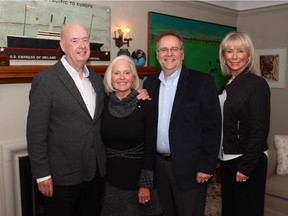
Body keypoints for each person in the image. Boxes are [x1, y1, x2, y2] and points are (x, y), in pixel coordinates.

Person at [26, 23, 149, 216]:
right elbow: (35, 134)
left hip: (95, 173)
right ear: (63, 45)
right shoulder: (45, 80)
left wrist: (139, 92)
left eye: (85, 40)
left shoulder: (96, 81)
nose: (82, 45)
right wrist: (42, 175)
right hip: (62, 177)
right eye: (75, 41)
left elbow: (117, 102)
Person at [143, 31, 222, 216]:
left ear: (182, 53)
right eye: (163, 49)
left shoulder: (202, 82)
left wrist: (206, 165)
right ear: (157, 55)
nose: (168, 53)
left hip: (191, 169)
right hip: (159, 167)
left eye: (174, 49)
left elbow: (213, 127)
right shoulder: (149, 85)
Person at [100, 55, 162, 216]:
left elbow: (150, 148)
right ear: (110, 77)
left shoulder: (146, 104)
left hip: (138, 184)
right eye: (117, 73)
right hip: (110, 182)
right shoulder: (102, 103)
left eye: (127, 73)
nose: (122, 78)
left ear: (133, 77)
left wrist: (145, 184)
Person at [218, 31, 270, 216]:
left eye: (240, 51)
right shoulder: (228, 84)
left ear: (248, 54)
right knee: (231, 209)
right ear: (223, 55)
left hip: (247, 160)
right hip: (228, 158)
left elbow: (260, 129)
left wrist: (246, 166)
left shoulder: (256, 84)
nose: (234, 56)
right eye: (229, 51)